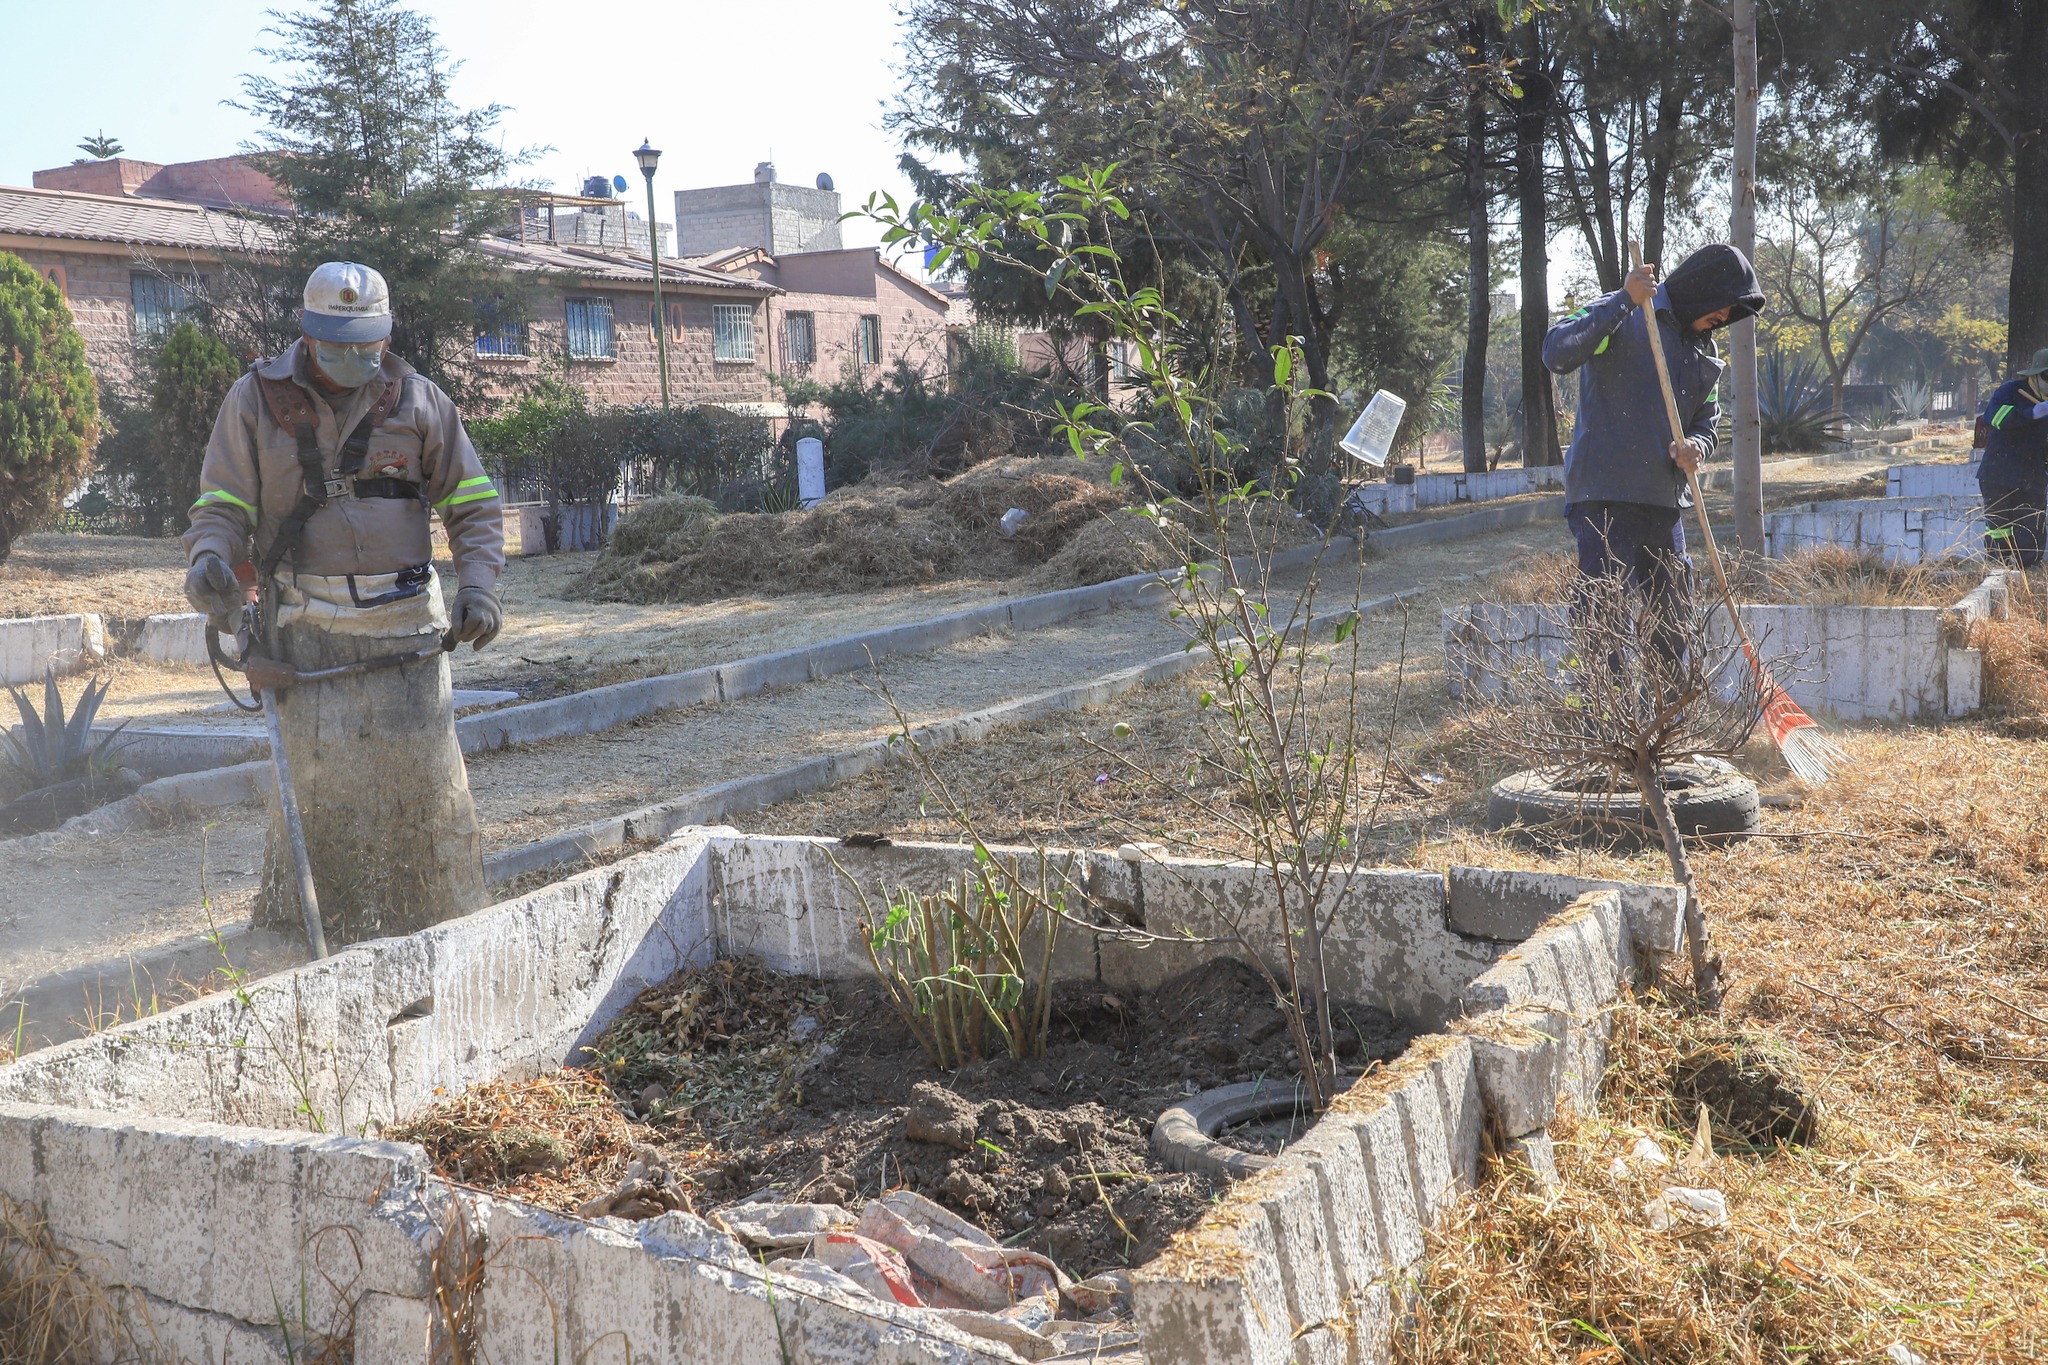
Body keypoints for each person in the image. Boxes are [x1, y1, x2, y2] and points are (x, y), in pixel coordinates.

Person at [182, 262, 505, 946]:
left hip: (408, 635)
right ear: (307, 331)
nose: (357, 358)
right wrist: (211, 560)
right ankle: (313, 941)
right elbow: (221, 505)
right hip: (306, 633)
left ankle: (442, 932)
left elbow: (472, 504)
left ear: (385, 336)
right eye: (340, 344)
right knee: (322, 803)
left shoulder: (419, 401)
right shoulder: (254, 401)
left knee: (425, 797)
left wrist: (479, 586)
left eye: (369, 344)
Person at [1542, 244, 1766, 659]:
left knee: (1674, 625)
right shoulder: (1625, 313)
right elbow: (1556, 352)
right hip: (1603, 498)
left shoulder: (1704, 351)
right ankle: (1604, 722)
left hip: (1664, 504)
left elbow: (1706, 423)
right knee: (1603, 621)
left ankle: (1668, 721)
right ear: (1702, 292)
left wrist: (1696, 448)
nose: (1719, 323)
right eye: (1718, 313)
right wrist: (1624, 299)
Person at [1975, 349, 2048, 567]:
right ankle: (1998, 573)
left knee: (2032, 530)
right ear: (2034, 375)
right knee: (1999, 529)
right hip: (1998, 473)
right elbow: (1995, 418)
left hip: (2032, 476)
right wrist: (2034, 412)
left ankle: (2027, 579)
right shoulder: (2010, 391)